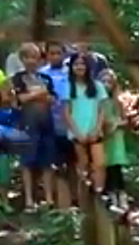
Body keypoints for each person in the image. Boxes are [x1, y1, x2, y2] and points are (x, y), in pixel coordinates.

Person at [11, 42, 57, 211]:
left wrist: (33, 95)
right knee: (27, 162)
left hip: (46, 123)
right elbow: (20, 99)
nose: (31, 61)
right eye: (27, 57)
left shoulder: (46, 78)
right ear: (22, 59)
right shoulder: (17, 79)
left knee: (47, 162)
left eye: (35, 57)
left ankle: (49, 199)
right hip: (27, 124)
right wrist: (40, 93)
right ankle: (29, 200)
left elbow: (52, 99)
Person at [64, 51, 107, 193]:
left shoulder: (97, 86)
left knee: (99, 163)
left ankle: (99, 191)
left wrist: (97, 129)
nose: (79, 67)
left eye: (82, 64)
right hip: (77, 132)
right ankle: (84, 194)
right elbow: (66, 112)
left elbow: (102, 110)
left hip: (94, 130)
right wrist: (77, 132)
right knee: (82, 164)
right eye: (76, 64)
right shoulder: (68, 86)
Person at [39, 42, 75, 182]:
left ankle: (76, 192)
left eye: (58, 53)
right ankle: (56, 193)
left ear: (64, 55)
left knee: (73, 162)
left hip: (71, 123)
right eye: (52, 53)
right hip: (49, 123)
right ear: (46, 55)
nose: (55, 57)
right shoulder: (41, 73)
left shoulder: (71, 72)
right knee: (53, 163)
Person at [99, 69, 129, 208]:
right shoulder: (98, 102)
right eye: (104, 82)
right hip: (104, 138)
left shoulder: (117, 102)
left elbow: (125, 120)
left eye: (109, 82)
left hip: (116, 138)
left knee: (116, 167)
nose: (107, 85)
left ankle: (121, 196)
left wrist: (117, 124)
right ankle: (111, 196)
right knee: (106, 167)